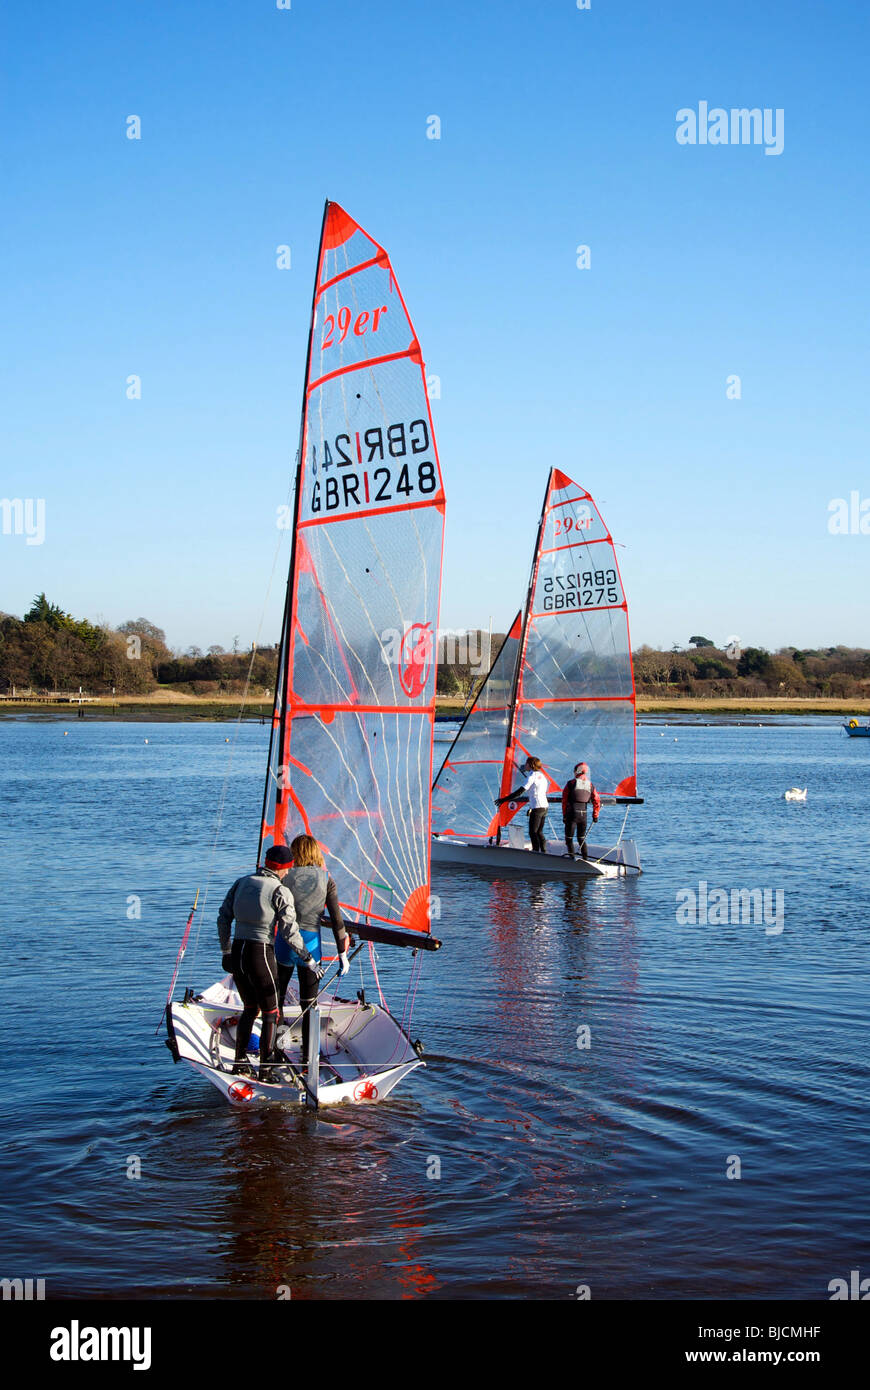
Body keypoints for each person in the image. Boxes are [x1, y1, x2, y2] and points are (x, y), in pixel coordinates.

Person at [217, 844, 323, 1082]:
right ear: (284, 868)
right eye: (288, 869)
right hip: (260, 953)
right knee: (271, 1013)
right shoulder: (280, 890)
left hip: (238, 951)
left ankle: (239, 1063)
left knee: (249, 1008)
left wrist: (225, 952)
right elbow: (289, 931)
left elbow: (223, 918)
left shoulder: (241, 882)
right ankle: (265, 1071)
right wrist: (308, 959)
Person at [275, 835, 352, 1068]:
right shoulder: (326, 879)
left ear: (295, 853)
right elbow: (338, 922)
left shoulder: (285, 877)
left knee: (277, 1000)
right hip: (312, 945)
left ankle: (276, 1045)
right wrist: (342, 956)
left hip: (284, 943)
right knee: (309, 1004)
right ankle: (309, 1056)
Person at [495, 755, 550, 853]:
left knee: (533, 832)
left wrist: (503, 800)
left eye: (526, 763)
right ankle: (544, 851)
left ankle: (536, 852)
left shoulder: (532, 776)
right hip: (544, 807)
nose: (525, 765)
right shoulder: (542, 776)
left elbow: (520, 792)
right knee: (539, 832)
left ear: (531, 765)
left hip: (537, 807)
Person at [561, 762, 601, 860]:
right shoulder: (590, 785)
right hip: (584, 814)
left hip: (572, 813)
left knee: (569, 838)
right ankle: (585, 859)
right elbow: (596, 800)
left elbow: (564, 800)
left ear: (576, 771)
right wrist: (595, 815)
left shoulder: (571, 783)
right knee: (581, 838)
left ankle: (572, 858)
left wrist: (564, 815)